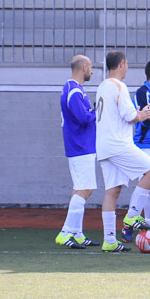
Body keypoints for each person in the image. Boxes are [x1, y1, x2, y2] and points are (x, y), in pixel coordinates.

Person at [95, 50, 150, 252]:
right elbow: (130, 116)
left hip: (103, 145)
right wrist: (144, 114)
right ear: (122, 64)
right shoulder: (119, 86)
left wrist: (140, 114)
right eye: (127, 64)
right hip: (118, 143)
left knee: (112, 191)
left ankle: (109, 240)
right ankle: (132, 215)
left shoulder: (102, 86)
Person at [119, 59, 150, 244]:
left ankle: (148, 227)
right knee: (147, 182)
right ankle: (128, 224)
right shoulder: (142, 92)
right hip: (146, 144)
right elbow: (146, 119)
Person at [56, 55, 100, 250]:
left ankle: (77, 233)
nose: (92, 71)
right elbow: (83, 119)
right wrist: (97, 112)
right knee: (84, 189)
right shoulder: (74, 91)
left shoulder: (74, 89)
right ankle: (66, 232)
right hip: (81, 146)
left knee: (81, 189)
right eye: (90, 68)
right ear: (83, 68)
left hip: (81, 146)